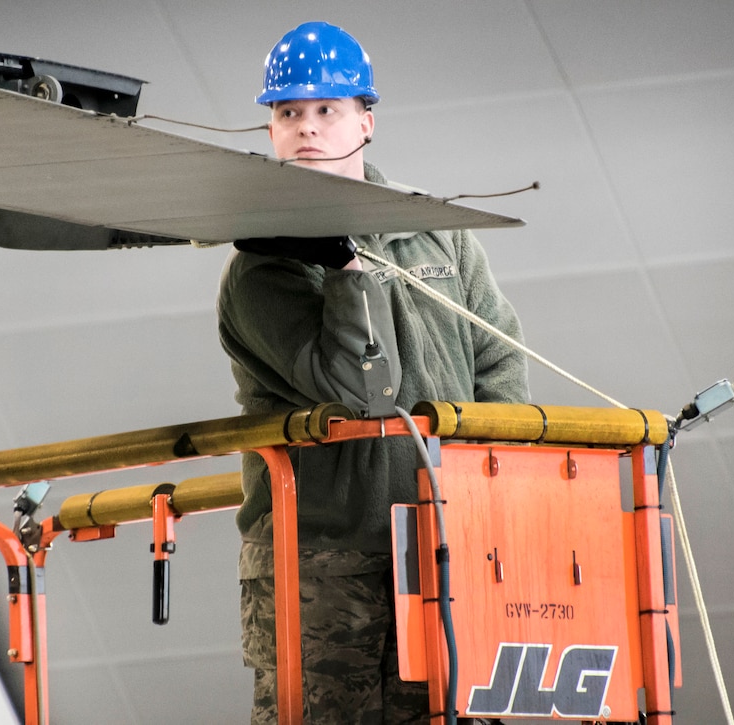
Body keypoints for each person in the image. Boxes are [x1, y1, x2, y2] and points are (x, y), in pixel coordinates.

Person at [216, 21, 529, 724]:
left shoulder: (436, 229)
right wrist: (346, 269)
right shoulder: (262, 271)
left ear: (366, 120)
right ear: (270, 130)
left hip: (446, 543)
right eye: (288, 113)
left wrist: (492, 501)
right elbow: (362, 391)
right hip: (323, 562)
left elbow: (500, 357)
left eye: (326, 110)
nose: (307, 128)